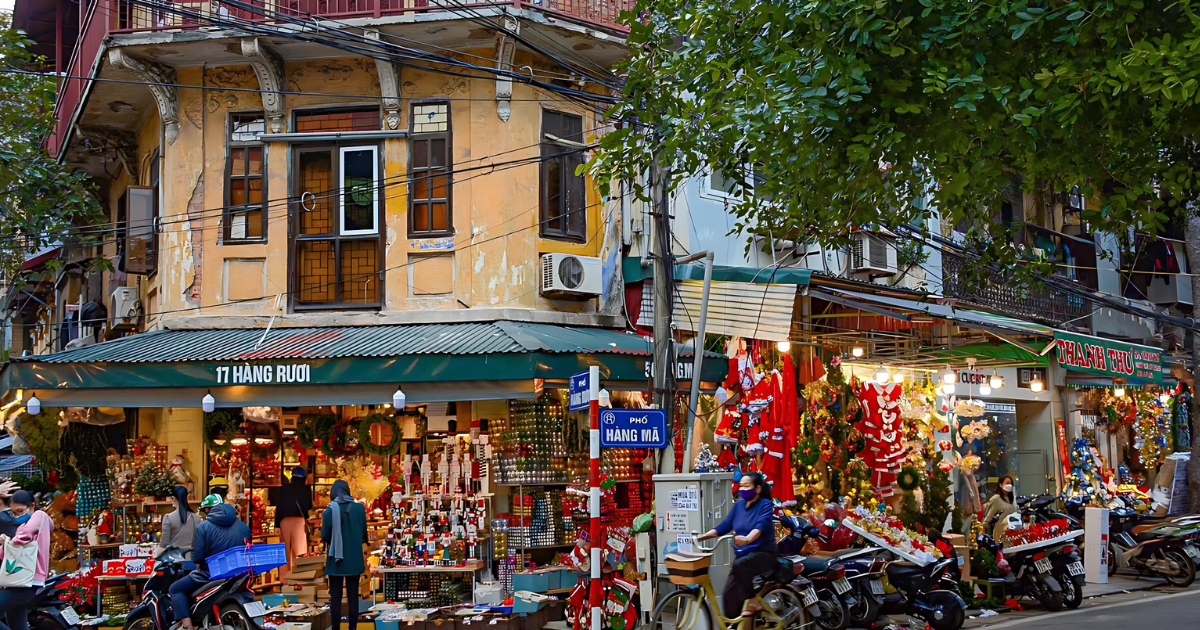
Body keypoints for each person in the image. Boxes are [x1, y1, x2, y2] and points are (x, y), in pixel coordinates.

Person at [696, 472, 776, 618]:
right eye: (741, 486)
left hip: (763, 554)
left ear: (758, 489)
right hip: (743, 558)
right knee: (729, 596)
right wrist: (702, 537)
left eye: (747, 486)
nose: (743, 489)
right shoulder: (739, 504)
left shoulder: (765, 505)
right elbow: (725, 525)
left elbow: (760, 526)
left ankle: (753, 602)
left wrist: (747, 539)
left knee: (740, 565)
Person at [169, 501, 250, 629]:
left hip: (210, 574)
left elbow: (197, 557)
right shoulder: (244, 527)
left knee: (175, 589)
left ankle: (186, 623)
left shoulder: (203, 527)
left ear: (209, 512)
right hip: (238, 573)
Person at [0, 491, 53, 630]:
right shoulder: (24, 524)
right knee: (18, 624)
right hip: (19, 582)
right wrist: (6, 544)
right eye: (14, 513)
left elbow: (23, 537)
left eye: (20, 511)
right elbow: (9, 553)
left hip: (26, 581)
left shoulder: (39, 516)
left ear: (32, 506)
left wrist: (8, 541)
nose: (17, 516)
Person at [322, 480, 368, 630]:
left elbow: (324, 536)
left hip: (335, 560)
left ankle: (336, 627)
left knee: (335, 598)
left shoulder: (329, 511)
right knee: (353, 596)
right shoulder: (359, 509)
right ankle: (353, 628)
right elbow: (363, 534)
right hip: (354, 558)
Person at [276, 466, 313, 577]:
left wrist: (277, 524)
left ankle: (285, 579)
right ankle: (300, 578)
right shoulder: (306, 489)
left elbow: (279, 507)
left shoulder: (284, 488)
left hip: (284, 522)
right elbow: (308, 506)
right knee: (300, 552)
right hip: (299, 522)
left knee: (285, 553)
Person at [157, 486, 197, 559]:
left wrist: (155, 555)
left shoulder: (168, 518)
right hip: (193, 559)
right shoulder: (196, 518)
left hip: (174, 560)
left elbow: (163, 545)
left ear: (174, 498)